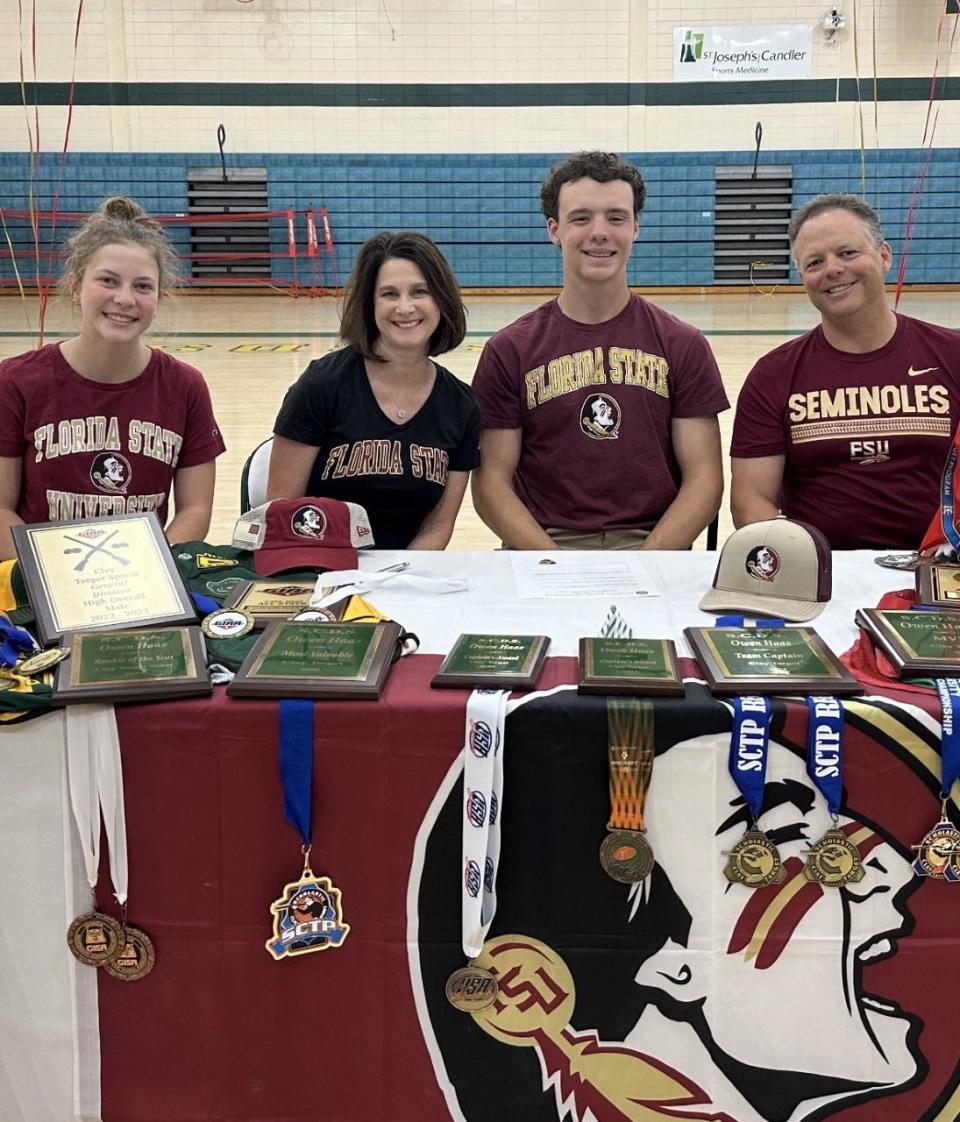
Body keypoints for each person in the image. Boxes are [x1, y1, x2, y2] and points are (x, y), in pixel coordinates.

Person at [470, 150, 728, 550]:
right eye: (581, 218)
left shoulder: (683, 344)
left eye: (616, 217)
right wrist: (551, 565)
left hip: (652, 542)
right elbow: (491, 483)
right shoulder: (509, 351)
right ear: (554, 229)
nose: (600, 232)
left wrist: (648, 564)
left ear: (636, 227)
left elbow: (705, 479)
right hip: (542, 544)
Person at [731, 193, 960, 550]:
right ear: (803, 277)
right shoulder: (773, 375)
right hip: (820, 574)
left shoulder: (952, 355)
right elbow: (751, 500)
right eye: (814, 262)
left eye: (847, 253)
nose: (833, 269)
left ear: (884, 256)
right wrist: (798, 566)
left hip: (942, 565)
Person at [0, 196, 225, 559]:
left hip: (140, 584)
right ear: (76, 286)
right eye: (108, 280)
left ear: (159, 297)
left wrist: (150, 571)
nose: (124, 298)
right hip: (41, 583)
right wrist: (47, 576)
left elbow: (194, 511)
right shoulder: (15, 382)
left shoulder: (186, 387)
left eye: (142, 286)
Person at [267, 231, 480, 549]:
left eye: (419, 292)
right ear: (369, 304)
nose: (405, 307)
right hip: (322, 572)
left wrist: (399, 581)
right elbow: (283, 510)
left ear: (441, 299)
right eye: (389, 294)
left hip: (406, 578)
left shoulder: (461, 406)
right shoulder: (321, 386)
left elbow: (438, 525)